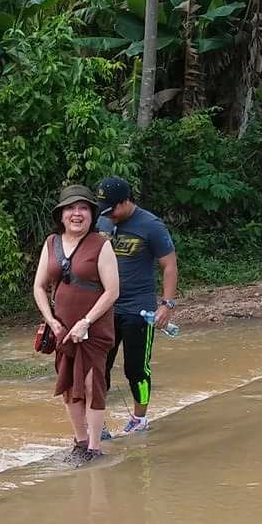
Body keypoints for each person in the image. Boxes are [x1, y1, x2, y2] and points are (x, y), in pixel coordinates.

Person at [33, 184, 119, 463]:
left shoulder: (101, 245)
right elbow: (39, 287)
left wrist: (86, 322)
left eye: (83, 208)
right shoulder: (51, 243)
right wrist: (51, 321)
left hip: (94, 329)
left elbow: (112, 291)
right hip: (62, 329)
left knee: (93, 384)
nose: (77, 213)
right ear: (61, 215)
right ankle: (80, 442)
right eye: (70, 208)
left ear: (92, 214)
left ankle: (94, 448)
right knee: (69, 384)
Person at [95, 176, 178, 434]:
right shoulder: (103, 221)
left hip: (138, 309)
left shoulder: (151, 225)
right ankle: (98, 422)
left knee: (136, 368)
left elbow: (169, 265)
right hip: (105, 308)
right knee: (99, 367)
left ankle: (139, 419)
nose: (108, 215)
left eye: (112, 209)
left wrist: (166, 305)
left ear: (125, 202)